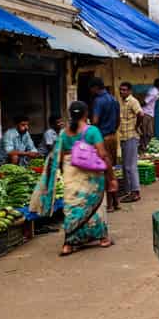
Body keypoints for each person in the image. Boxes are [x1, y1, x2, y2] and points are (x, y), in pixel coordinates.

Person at [31, 101, 117, 257]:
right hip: (91, 175)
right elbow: (103, 154)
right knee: (96, 206)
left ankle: (68, 244)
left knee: (72, 207)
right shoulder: (92, 131)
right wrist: (111, 177)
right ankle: (103, 238)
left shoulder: (64, 133)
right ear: (86, 114)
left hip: (71, 174)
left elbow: (60, 155)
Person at [89, 77, 121, 211]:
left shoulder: (98, 101)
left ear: (96, 87)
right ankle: (116, 201)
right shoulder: (114, 99)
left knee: (105, 170)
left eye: (91, 88)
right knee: (111, 169)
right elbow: (118, 120)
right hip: (113, 137)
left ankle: (109, 204)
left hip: (102, 138)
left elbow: (95, 121)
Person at [118, 82, 143, 203]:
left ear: (129, 91)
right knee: (125, 166)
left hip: (131, 136)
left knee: (130, 166)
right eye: (121, 90)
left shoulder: (133, 101)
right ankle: (128, 190)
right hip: (123, 136)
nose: (122, 92)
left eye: (124, 90)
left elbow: (141, 114)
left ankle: (135, 192)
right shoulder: (121, 102)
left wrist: (136, 126)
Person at [140, 78, 159, 152]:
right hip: (145, 113)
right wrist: (137, 108)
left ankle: (147, 146)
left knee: (150, 132)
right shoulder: (153, 92)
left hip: (150, 114)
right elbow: (145, 102)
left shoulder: (157, 90)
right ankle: (144, 147)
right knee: (145, 132)